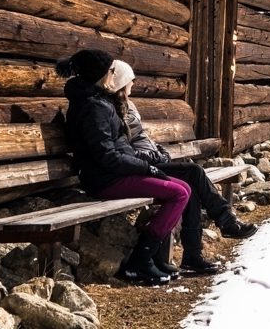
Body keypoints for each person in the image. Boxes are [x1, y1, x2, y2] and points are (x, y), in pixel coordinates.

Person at [57, 48, 188, 285]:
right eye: (110, 70)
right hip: (105, 180)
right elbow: (107, 156)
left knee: (183, 188)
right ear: (101, 75)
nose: (112, 74)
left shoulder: (98, 101)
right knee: (178, 193)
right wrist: (146, 168)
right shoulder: (92, 106)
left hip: (112, 174)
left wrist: (146, 162)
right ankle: (140, 261)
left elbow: (117, 149)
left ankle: (152, 258)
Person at [116, 62, 257, 277]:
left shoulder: (129, 105)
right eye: (130, 80)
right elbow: (124, 148)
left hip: (152, 159)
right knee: (194, 172)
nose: (133, 83)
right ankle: (224, 223)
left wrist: (158, 150)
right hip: (141, 166)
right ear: (120, 82)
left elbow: (142, 137)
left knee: (192, 177)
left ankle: (194, 256)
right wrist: (151, 155)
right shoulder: (114, 109)